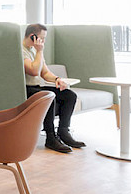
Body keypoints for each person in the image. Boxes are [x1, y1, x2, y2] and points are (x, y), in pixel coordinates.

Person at [22, 23, 85, 153]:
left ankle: (63, 132)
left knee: (69, 95)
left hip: (36, 87)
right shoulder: (21, 51)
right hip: (25, 89)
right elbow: (34, 71)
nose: (44, 41)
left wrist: (57, 79)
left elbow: (44, 73)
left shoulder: (34, 50)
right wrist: (40, 51)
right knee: (48, 96)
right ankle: (50, 137)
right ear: (32, 36)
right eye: (42, 38)